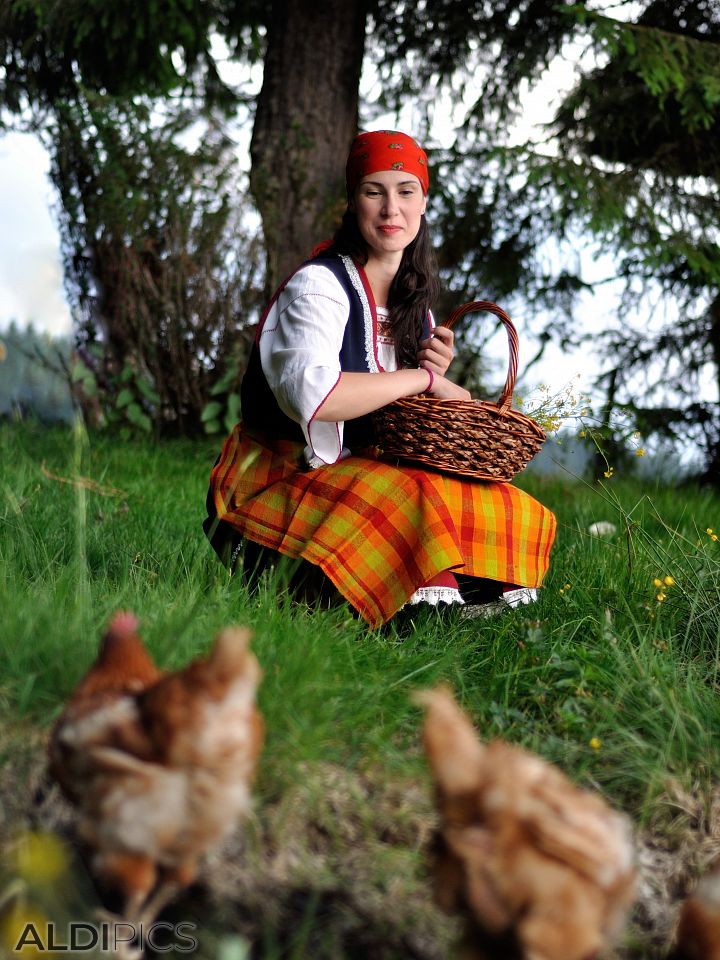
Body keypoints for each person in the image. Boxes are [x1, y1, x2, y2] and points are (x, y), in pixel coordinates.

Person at [203, 130, 556, 627]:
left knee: (503, 500)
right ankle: (413, 605)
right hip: (285, 476)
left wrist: (433, 376)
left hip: (366, 472)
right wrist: (419, 380)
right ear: (353, 202)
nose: (392, 209)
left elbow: (416, 417)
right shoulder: (319, 287)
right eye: (374, 191)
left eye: (406, 191)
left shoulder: (417, 309)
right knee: (412, 498)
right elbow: (316, 396)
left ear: (424, 202)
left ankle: (465, 599)